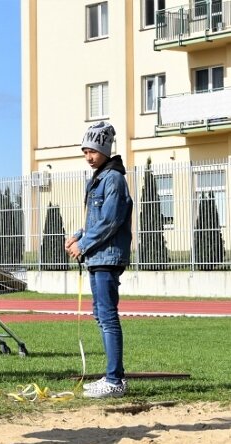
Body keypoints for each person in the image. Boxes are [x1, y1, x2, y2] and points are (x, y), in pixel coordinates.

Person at [65, 121, 133, 399]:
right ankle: (111, 376)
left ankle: (115, 380)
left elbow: (111, 220)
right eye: (85, 152)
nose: (88, 157)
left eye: (92, 151)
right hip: (97, 256)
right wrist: (77, 235)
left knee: (107, 317)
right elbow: (96, 219)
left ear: (104, 149)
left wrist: (84, 244)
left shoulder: (114, 179)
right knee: (101, 316)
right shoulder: (98, 178)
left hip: (107, 257)